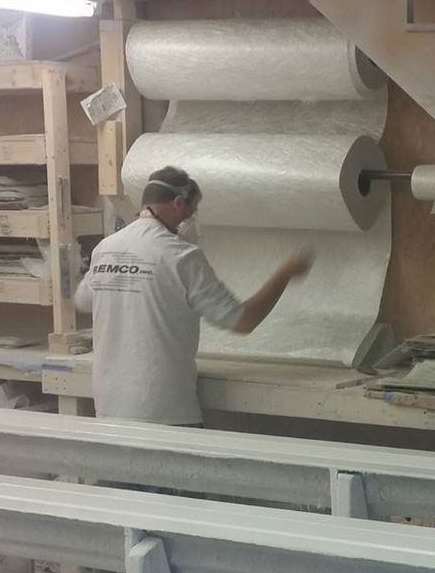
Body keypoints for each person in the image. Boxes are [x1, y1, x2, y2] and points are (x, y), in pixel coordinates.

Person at [73, 165, 313, 425]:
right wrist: (285, 274)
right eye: (191, 210)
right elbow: (242, 321)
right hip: (166, 414)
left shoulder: (105, 249)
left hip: (110, 409)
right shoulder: (182, 256)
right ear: (178, 203)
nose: (192, 219)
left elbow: (82, 301)